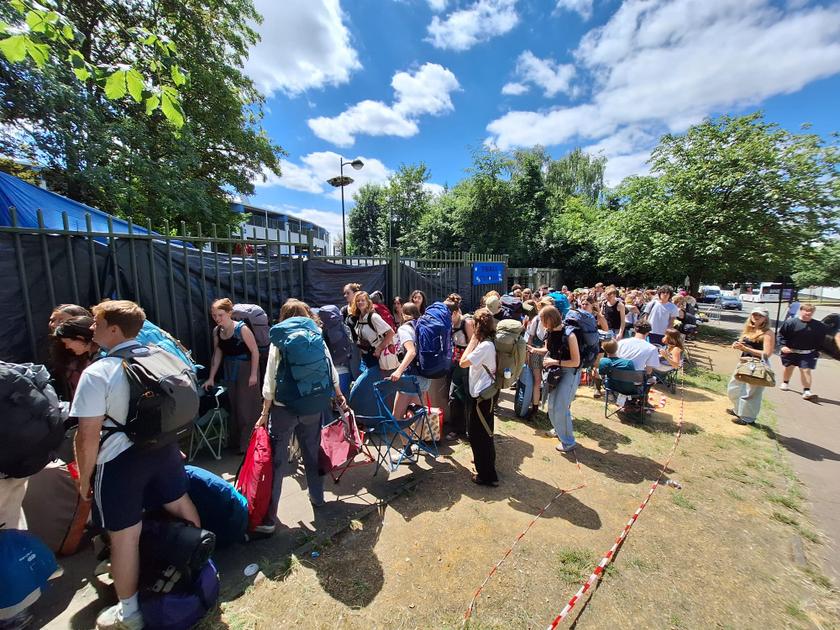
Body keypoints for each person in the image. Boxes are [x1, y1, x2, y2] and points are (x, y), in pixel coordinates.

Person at [71, 300, 199, 630]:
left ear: (114, 330)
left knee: (124, 537)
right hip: (165, 448)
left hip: (119, 461)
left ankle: (129, 612)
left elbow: (87, 436)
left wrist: (85, 479)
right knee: (181, 504)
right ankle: (199, 565)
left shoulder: (98, 372)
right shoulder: (163, 355)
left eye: (96, 324)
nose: (91, 329)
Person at [254, 299, 345, 534]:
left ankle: (269, 518)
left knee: (277, 460)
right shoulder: (315, 335)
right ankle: (317, 497)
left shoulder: (280, 339)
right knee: (311, 451)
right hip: (313, 405)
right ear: (306, 314)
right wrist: (338, 394)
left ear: (283, 316)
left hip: (284, 407)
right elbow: (329, 368)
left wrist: (265, 412)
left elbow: (270, 379)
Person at [204, 298, 262, 454]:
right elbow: (217, 354)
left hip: (246, 368)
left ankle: (248, 443)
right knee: (234, 406)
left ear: (229, 313)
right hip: (230, 369)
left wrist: (253, 375)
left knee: (246, 407)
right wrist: (211, 377)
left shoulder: (242, 329)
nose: (217, 318)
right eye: (214, 315)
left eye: (220, 315)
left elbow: (255, 351)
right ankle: (236, 441)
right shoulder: (217, 331)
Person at [459, 308, 498, 486]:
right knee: (483, 432)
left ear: (477, 326)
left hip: (482, 396)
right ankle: (484, 466)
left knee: (479, 434)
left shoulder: (484, 346)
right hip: (486, 394)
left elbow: (463, 362)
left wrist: (472, 340)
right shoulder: (490, 342)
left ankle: (487, 476)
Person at [778, 303, 838, 400]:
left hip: (808, 353)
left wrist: (818, 350)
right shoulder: (791, 322)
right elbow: (782, 335)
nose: (808, 313)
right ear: (801, 310)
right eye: (806, 310)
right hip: (791, 351)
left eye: (811, 311)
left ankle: (807, 391)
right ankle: (785, 382)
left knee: (806, 370)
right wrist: (782, 346)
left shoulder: (819, 326)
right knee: (789, 367)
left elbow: (823, 338)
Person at [542, 305, 581, 453]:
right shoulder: (550, 332)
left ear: (549, 319)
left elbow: (576, 362)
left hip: (569, 372)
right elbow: (548, 350)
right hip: (556, 371)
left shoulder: (570, 335)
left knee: (561, 407)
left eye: (542, 319)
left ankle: (568, 442)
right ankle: (559, 429)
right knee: (552, 405)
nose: (540, 322)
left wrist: (554, 362)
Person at [727, 308, 775, 425]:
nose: (756, 316)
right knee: (734, 388)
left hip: (757, 365)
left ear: (765, 318)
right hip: (744, 362)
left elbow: (767, 354)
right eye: (755, 314)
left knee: (752, 393)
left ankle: (748, 418)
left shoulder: (768, 333)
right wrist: (737, 345)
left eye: (760, 315)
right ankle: (738, 410)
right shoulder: (749, 329)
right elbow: (743, 343)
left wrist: (746, 349)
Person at [390, 303, 430, 422]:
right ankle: (417, 441)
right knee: (415, 416)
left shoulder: (405, 328)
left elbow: (411, 352)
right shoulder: (424, 326)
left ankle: (409, 441)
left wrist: (398, 371)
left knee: (397, 417)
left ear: (404, 315)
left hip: (411, 375)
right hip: (425, 374)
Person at [51, 316, 99, 402]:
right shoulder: (90, 358)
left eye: (67, 342)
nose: (67, 347)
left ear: (80, 338)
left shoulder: (100, 361)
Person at [351, 291, 397, 372]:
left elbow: (391, 333)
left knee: (363, 383)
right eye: (358, 301)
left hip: (376, 357)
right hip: (365, 358)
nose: (360, 302)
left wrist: (379, 349)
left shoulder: (374, 317)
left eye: (363, 300)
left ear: (368, 302)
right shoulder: (360, 318)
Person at [448, 297, 474, 440]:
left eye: (450, 314)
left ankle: (469, 430)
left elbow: (473, 343)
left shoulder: (467, 323)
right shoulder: (450, 324)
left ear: (457, 311)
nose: (449, 318)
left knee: (468, 397)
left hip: (467, 365)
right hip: (455, 363)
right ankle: (456, 428)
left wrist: (466, 359)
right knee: (454, 396)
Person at [524, 297, 552, 417]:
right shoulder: (537, 320)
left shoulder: (548, 321)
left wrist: (529, 351)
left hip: (544, 352)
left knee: (545, 381)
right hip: (540, 352)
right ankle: (536, 407)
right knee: (538, 381)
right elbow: (530, 337)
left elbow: (530, 338)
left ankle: (541, 408)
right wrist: (529, 353)